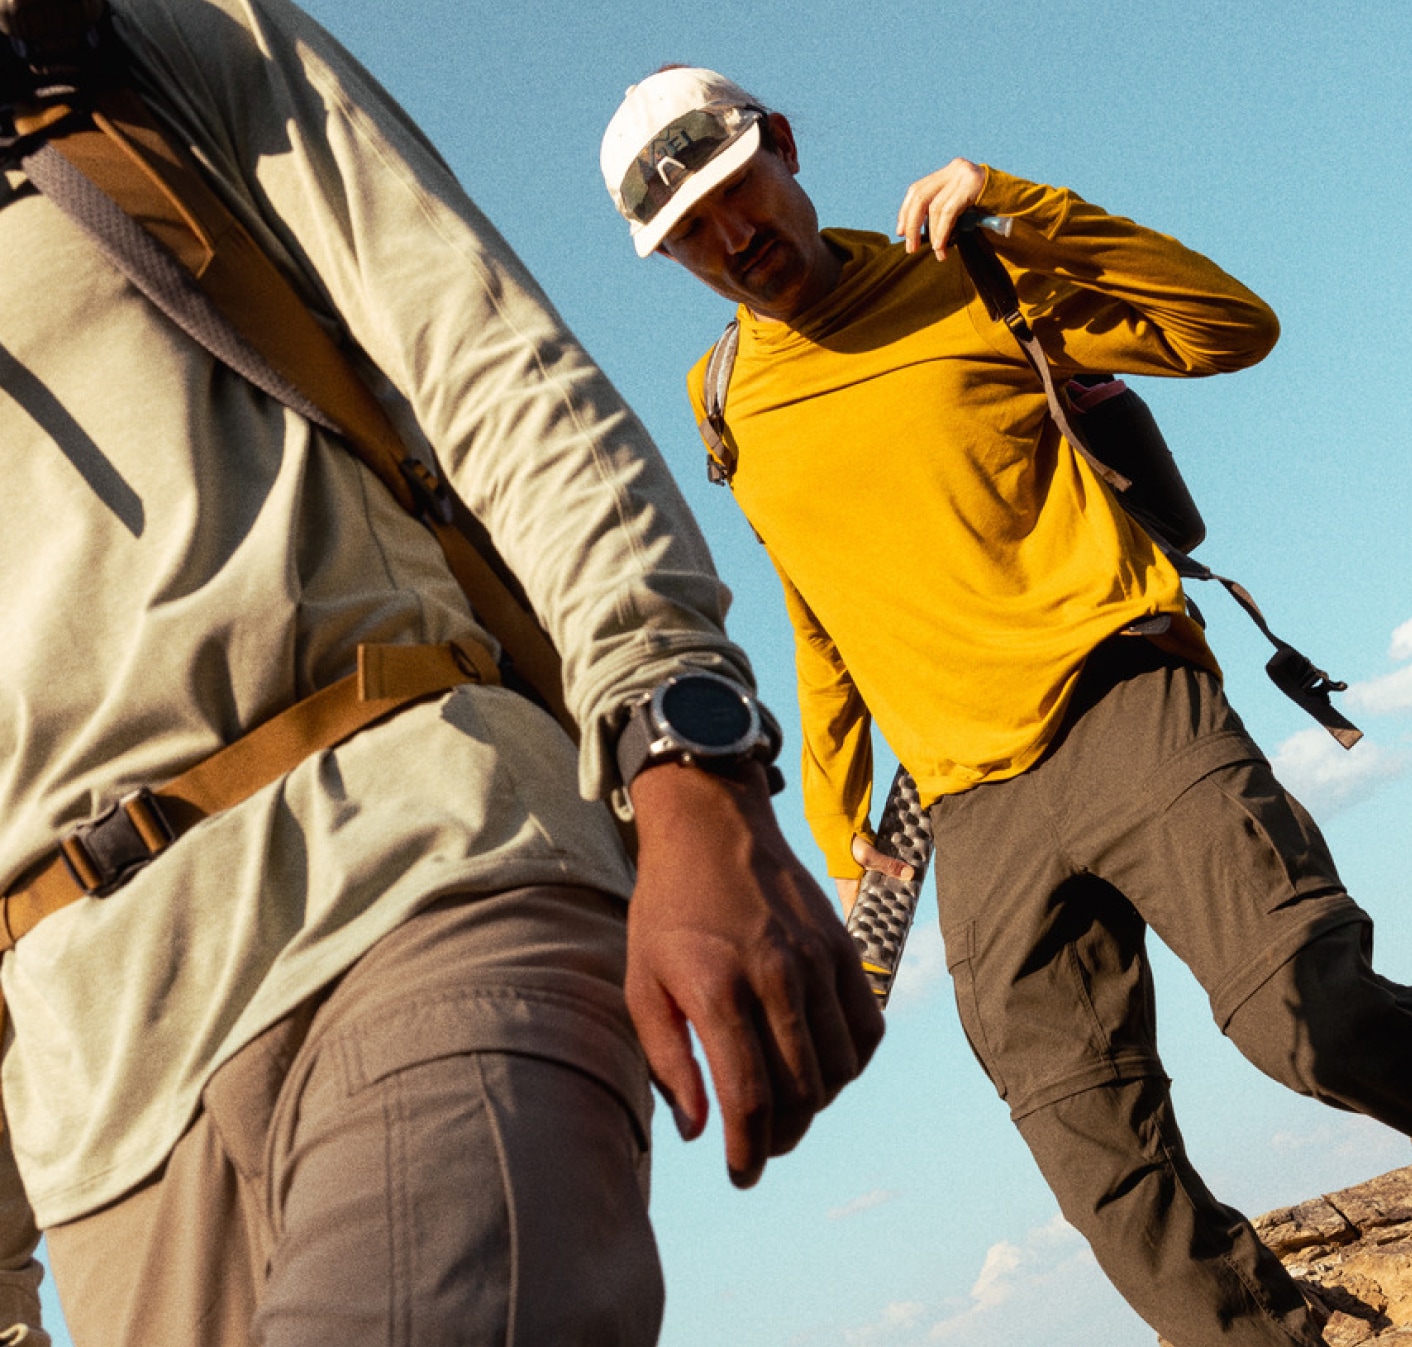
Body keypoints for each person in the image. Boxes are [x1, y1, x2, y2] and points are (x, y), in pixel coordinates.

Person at [600, 65, 1412, 1347]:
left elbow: (1232, 328)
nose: (727, 236)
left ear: (784, 150)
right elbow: (821, 606)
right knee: (1107, 1178)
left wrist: (1028, 206)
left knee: (1317, 1022)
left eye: (730, 193)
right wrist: (834, 802)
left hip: (1125, 701)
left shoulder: (969, 270)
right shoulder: (726, 400)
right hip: (968, 811)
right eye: (686, 233)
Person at [0, 6, 884, 1343]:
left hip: (415, 860)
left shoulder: (133, 35)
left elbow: (484, 358)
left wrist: (686, 745)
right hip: (100, 1109)